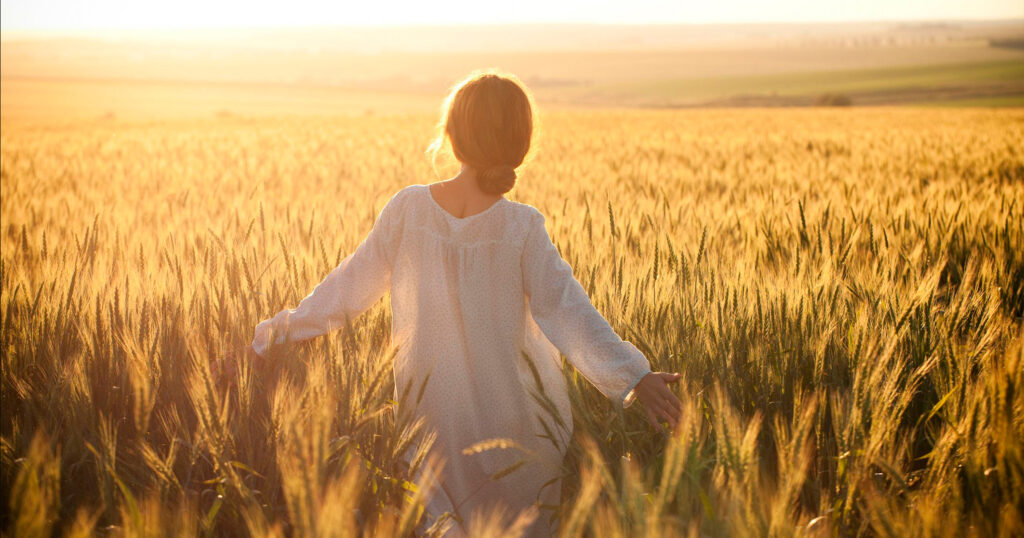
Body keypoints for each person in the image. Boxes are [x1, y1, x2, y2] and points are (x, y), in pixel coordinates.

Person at [231, 70, 683, 536]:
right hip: (519, 428)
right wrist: (633, 377)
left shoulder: (408, 211)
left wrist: (274, 336)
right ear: (520, 143)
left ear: (453, 135)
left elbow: (345, 290)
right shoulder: (521, 227)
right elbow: (568, 311)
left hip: (432, 424)